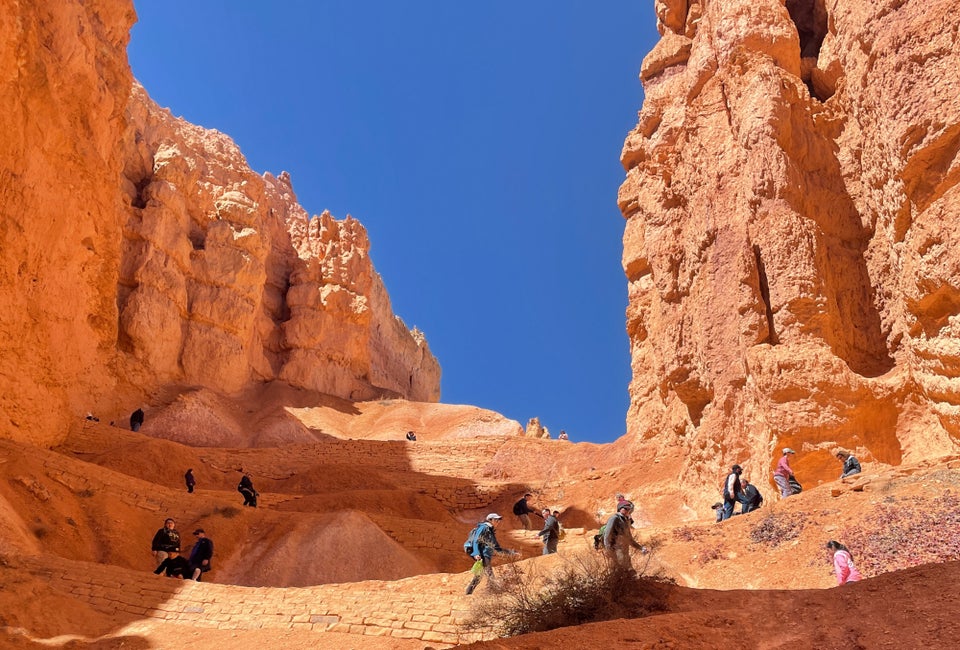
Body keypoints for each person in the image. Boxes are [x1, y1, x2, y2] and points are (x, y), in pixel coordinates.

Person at [465, 513, 517, 595]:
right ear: (490, 520)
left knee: (479, 575)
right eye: (496, 520)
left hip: (486, 554)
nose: (498, 522)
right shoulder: (484, 527)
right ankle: (495, 591)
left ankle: (468, 592)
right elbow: (476, 540)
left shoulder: (490, 530)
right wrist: (476, 553)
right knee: (489, 572)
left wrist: (510, 552)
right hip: (482, 553)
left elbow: (496, 547)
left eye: (498, 520)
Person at [603, 501, 643, 568]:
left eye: (629, 509)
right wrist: (609, 550)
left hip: (625, 551)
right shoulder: (614, 518)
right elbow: (607, 535)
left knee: (628, 571)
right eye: (625, 508)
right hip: (616, 550)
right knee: (619, 570)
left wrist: (641, 548)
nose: (627, 510)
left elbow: (630, 539)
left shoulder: (625, 520)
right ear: (620, 509)